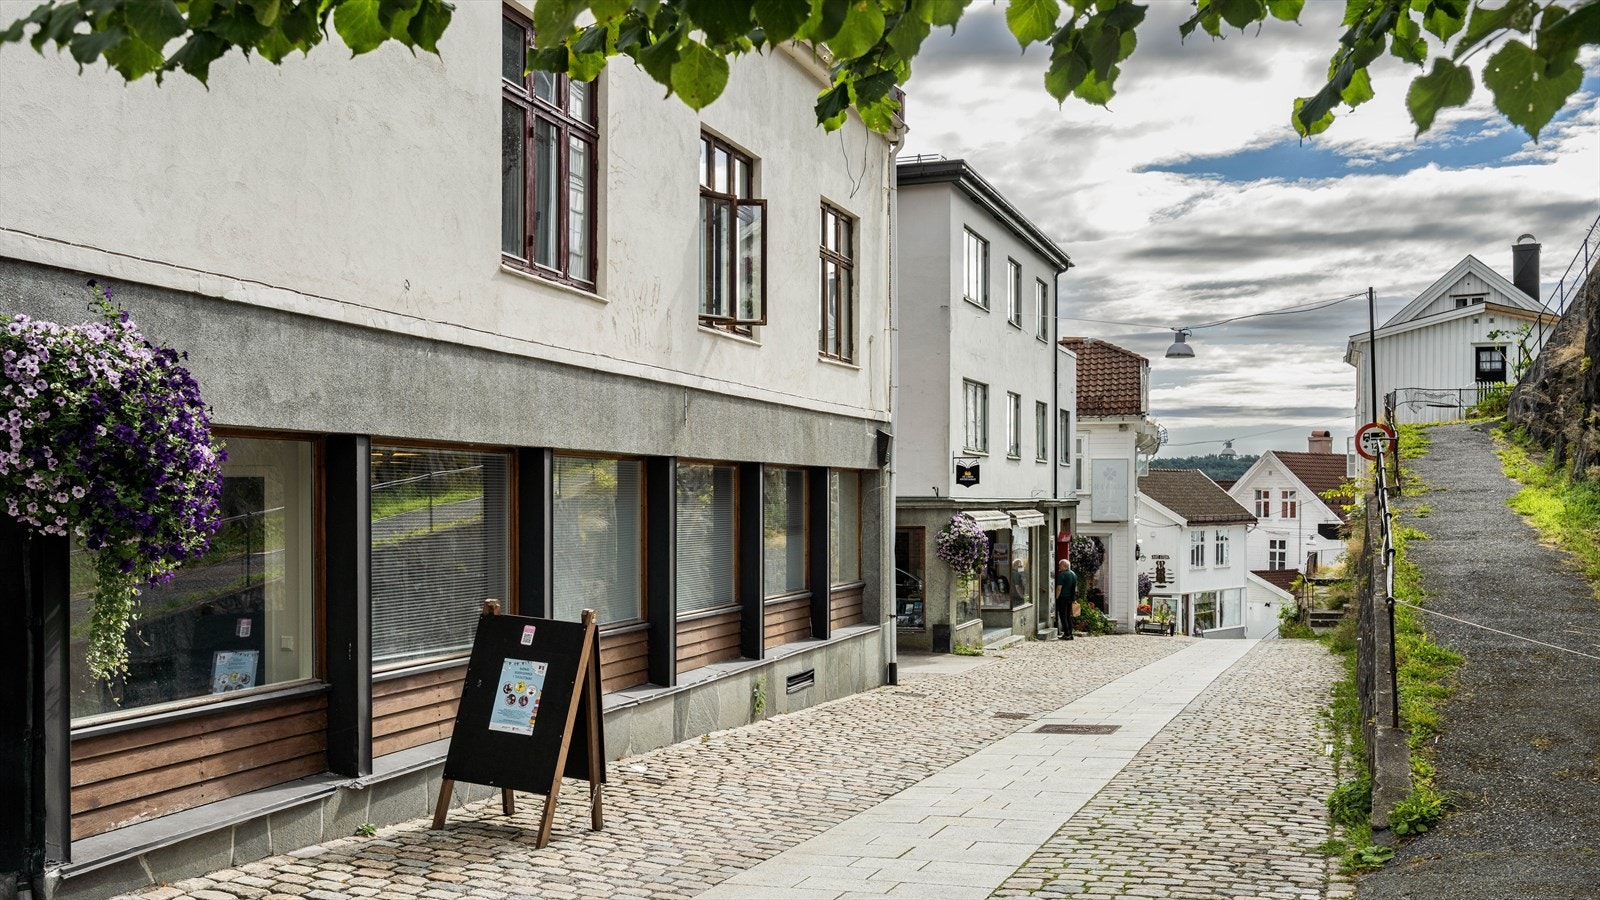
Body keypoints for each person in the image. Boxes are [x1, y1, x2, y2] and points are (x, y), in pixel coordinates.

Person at [1055, 559, 1077, 641]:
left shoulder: (1062, 575)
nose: (1059, 567)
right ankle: (1070, 634)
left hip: (1063, 597)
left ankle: (1067, 634)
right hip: (1070, 598)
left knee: (1063, 616)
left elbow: (1059, 588)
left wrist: (1056, 598)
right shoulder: (1073, 574)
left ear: (1064, 566)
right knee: (1068, 616)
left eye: (1060, 565)